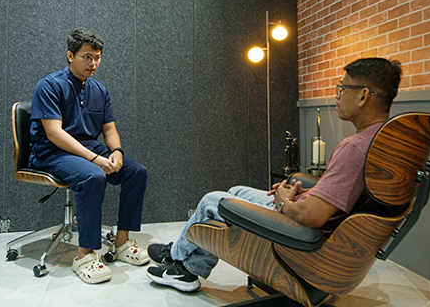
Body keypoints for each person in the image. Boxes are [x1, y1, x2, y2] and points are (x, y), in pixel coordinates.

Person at [146, 57, 402, 292]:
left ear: (363, 96)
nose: (337, 96)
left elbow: (312, 217)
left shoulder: (354, 148)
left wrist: (284, 202)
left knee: (214, 201)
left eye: (342, 88)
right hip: (314, 227)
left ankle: (179, 261)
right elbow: (344, 196)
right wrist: (307, 193)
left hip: (301, 237)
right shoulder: (382, 141)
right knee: (236, 191)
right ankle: (186, 259)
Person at [29, 28, 149, 284]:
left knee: (136, 172)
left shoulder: (100, 90)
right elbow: (53, 133)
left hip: (89, 149)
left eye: (97, 57)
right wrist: (95, 159)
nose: (93, 63)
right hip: (51, 152)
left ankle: (122, 242)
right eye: (87, 57)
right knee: (94, 176)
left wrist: (116, 151)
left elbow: (109, 129)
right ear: (70, 56)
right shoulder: (49, 85)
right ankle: (85, 255)